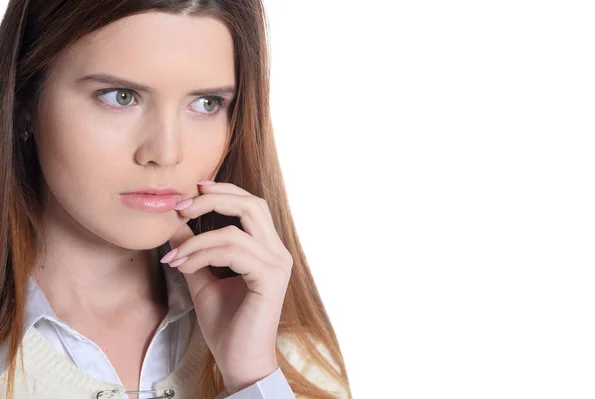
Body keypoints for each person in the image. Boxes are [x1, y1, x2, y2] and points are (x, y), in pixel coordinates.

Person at [0, 0, 352, 398]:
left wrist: (251, 378)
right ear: (25, 100)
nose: (166, 153)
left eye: (205, 104)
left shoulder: (290, 361)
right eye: (120, 96)